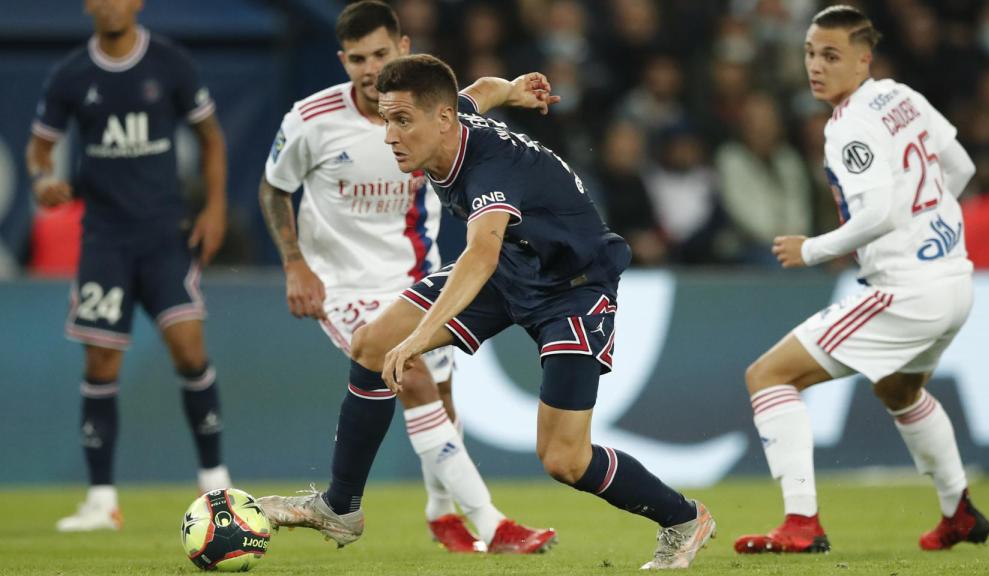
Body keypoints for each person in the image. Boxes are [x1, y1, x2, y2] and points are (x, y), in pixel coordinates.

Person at [259, 54, 717, 570]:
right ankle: (341, 508)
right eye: (387, 118)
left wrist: (417, 341)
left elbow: (481, 254)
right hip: (514, 269)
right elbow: (483, 89)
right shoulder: (450, 119)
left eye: (402, 120)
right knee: (370, 344)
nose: (390, 135)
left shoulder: (489, 167)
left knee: (565, 459)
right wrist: (517, 88)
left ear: (442, 120)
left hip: (572, 286)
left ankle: (683, 518)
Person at [257, 1, 555, 554]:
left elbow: (479, 92)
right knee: (409, 373)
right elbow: (274, 187)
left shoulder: (428, 108)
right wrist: (295, 263)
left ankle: (442, 514)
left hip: (412, 276)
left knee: (439, 394)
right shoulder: (311, 119)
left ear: (404, 47)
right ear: (341, 59)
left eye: (380, 54)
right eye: (356, 59)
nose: (369, 69)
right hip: (343, 286)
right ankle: (492, 524)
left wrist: (513, 89)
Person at [734, 5, 989, 554]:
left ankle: (801, 522)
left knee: (768, 376)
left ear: (863, 59)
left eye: (830, 55)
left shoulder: (848, 124)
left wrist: (812, 249)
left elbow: (877, 214)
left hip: (908, 289)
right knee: (899, 388)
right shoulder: (902, 97)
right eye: (809, 53)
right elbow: (962, 168)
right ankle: (960, 512)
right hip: (956, 281)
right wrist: (934, 228)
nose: (816, 66)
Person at [26, 0, 231, 531]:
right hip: (105, 241)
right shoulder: (72, 75)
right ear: (88, 4)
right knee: (100, 365)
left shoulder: (169, 63)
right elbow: (38, 149)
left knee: (189, 347)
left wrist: (213, 207)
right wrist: (43, 179)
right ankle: (101, 499)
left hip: (164, 236)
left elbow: (211, 138)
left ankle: (215, 480)